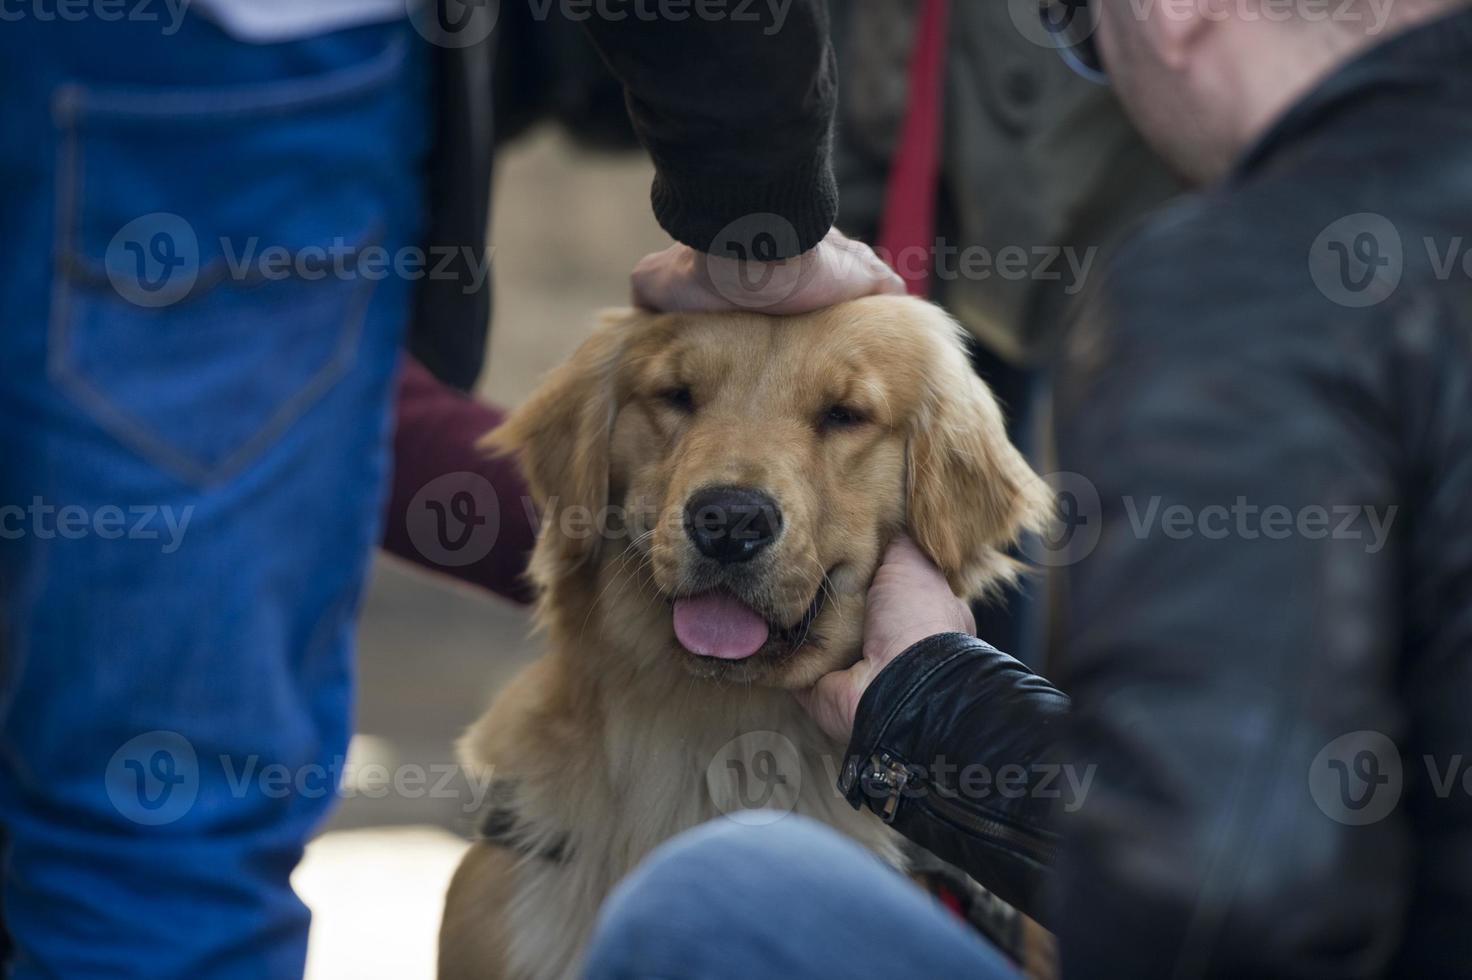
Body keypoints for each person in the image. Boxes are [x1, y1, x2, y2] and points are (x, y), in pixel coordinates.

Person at [0, 3, 900, 975]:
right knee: (153, 843)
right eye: (676, 396)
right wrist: (753, 216)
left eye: (839, 421)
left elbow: (340, 407)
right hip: (225, 57)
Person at [585, 0, 1472, 977]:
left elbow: (1220, 896)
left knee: (718, 898)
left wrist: (928, 709)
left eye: (1069, 21)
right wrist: (936, 692)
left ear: (1172, 12)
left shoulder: (1240, 282)